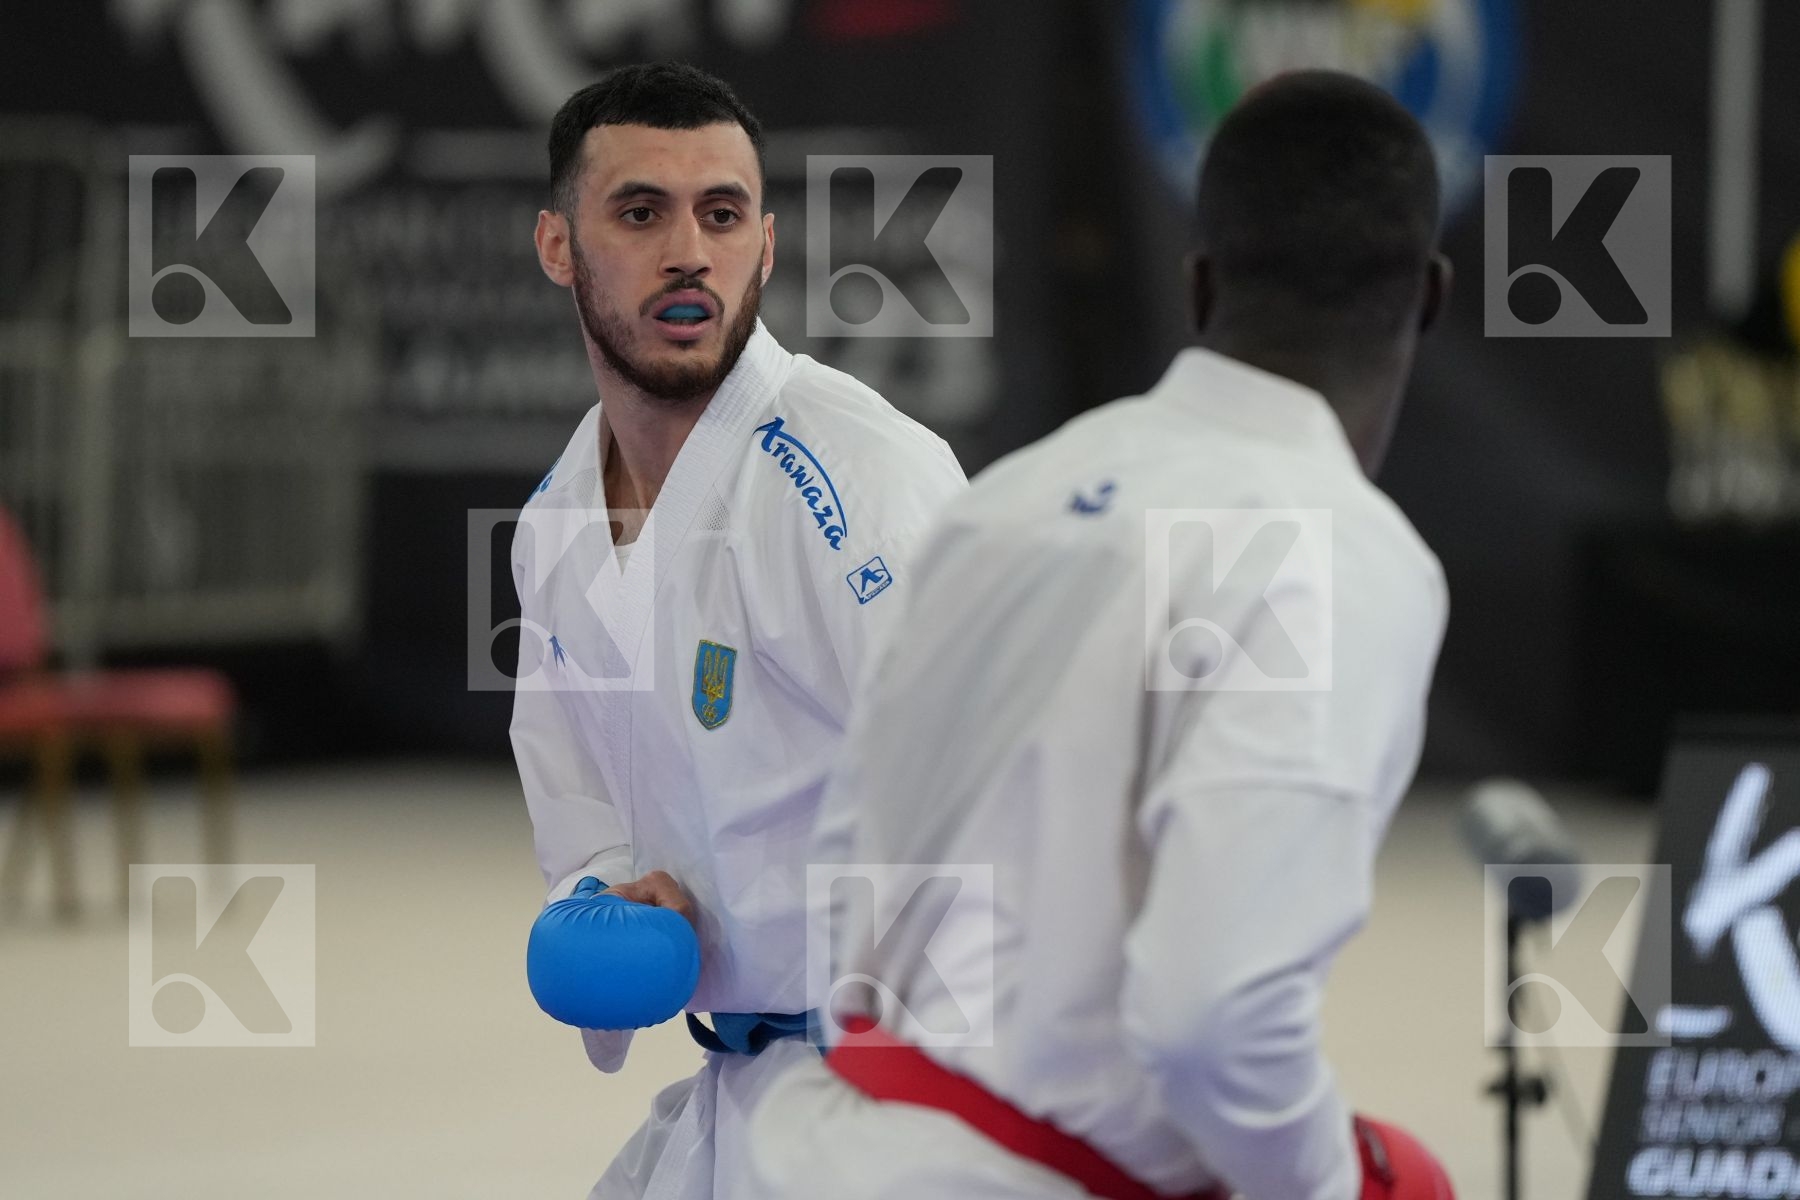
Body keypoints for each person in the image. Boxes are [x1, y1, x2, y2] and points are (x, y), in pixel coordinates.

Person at [748, 70, 1456, 1200]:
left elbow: (845, 860)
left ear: (1201, 280)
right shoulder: (1344, 551)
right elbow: (1217, 1014)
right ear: (1426, 297)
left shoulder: (1011, 497)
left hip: (817, 1150)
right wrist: (1339, 1180)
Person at [508, 62, 966, 1200]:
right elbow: (584, 817)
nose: (689, 254)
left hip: (911, 1100)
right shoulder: (557, 524)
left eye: (723, 215)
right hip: (748, 1080)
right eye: (640, 211)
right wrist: (613, 903)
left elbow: (1015, 789)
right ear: (558, 247)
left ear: (765, 244)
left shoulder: (854, 480)